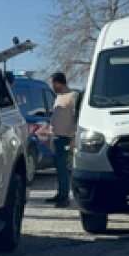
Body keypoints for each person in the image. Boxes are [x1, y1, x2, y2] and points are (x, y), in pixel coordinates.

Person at [46, 72, 79, 207]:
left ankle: (64, 198)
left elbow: (77, 118)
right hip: (56, 137)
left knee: (64, 168)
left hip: (67, 138)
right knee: (58, 168)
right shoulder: (58, 97)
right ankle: (60, 193)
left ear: (58, 83)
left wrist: (74, 137)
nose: (51, 86)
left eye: (52, 83)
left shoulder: (73, 96)